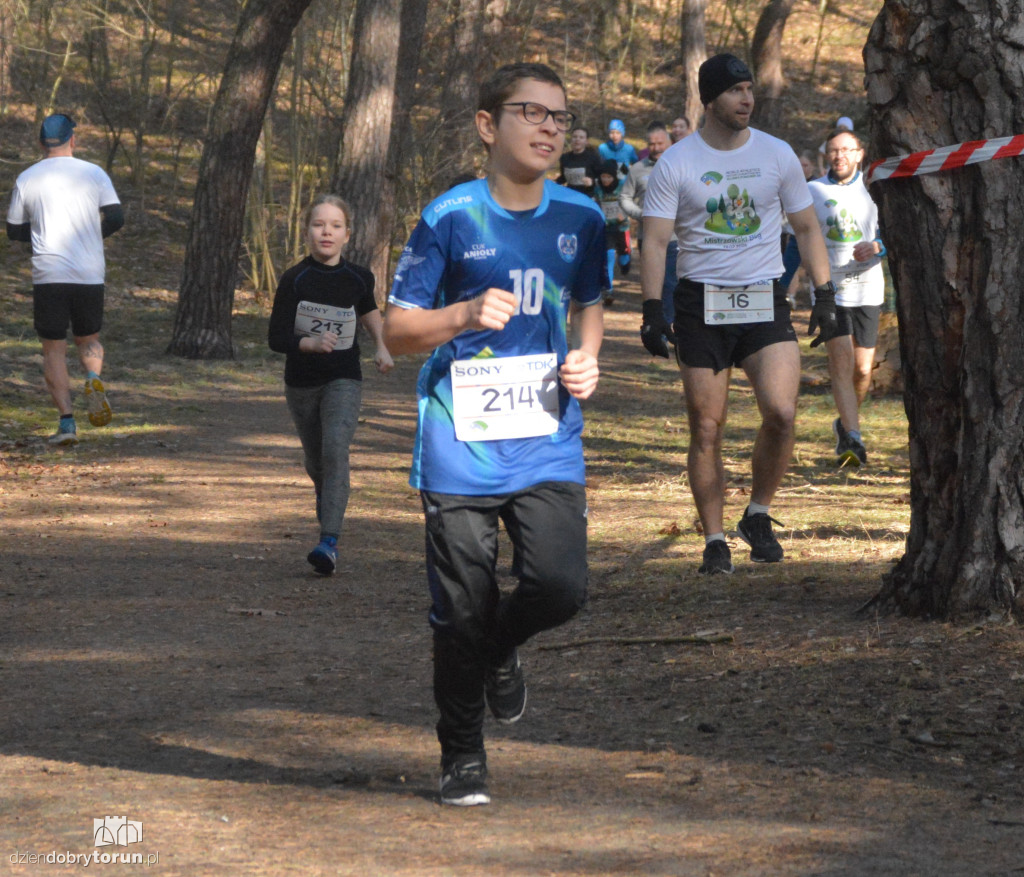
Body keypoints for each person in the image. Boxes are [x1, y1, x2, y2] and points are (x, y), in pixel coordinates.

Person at [383, 62, 605, 807]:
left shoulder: (582, 218)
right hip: (460, 437)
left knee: (559, 584)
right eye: (531, 112)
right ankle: (462, 752)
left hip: (544, 430)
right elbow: (398, 328)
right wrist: (461, 315)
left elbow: (591, 302)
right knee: (461, 606)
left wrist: (589, 357)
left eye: (560, 117)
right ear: (487, 124)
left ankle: (502, 647)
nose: (549, 127)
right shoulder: (450, 216)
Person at [638, 53, 835, 575]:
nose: (747, 99)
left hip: (762, 300)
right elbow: (654, 241)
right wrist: (652, 310)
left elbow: (808, 228)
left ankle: (759, 513)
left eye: (750, 89)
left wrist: (826, 294)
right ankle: (715, 539)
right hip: (701, 305)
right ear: (710, 99)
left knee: (782, 412)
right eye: (735, 91)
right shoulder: (677, 162)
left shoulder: (777, 154)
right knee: (706, 426)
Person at [267, 194, 393, 576]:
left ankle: (329, 542)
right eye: (319, 224)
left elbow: (369, 311)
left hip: (344, 378)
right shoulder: (295, 279)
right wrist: (306, 343)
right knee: (317, 460)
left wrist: (383, 347)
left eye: (335, 226)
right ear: (307, 232)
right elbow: (275, 337)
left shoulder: (358, 277)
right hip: (302, 383)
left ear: (347, 235)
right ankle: (327, 495)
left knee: (336, 448)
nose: (327, 232)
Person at [6, 113, 124, 446]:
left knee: (53, 350)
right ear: (73, 139)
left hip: (49, 274)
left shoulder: (27, 178)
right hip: (89, 272)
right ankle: (92, 377)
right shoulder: (94, 173)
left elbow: (14, 230)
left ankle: (68, 423)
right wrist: (91, 234)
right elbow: (116, 217)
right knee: (89, 336)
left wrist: (43, 231)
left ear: (41, 143)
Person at [780, 129, 885, 467]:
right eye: (833, 151)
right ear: (827, 156)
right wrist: (781, 285)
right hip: (829, 291)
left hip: (868, 287)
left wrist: (877, 246)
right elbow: (797, 241)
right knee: (840, 362)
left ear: (860, 154)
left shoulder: (875, 190)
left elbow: (892, 231)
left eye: (846, 150)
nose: (839, 156)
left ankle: (844, 422)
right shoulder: (812, 191)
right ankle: (853, 437)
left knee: (863, 370)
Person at [619, 121, 675, 324]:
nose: (657, 148)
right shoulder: (637, 170)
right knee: (654, 285)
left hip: (677, 238)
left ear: (669, 142)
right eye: (652, 144)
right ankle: (658, 324)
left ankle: (670, 325)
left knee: (671, 283)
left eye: (660, 143)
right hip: (648, 237)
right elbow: (624, 197)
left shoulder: (681, 164)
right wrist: (642, 214)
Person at [595, 158, 631, 300]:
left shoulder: (622, 186)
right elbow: (597, 203)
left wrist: (624, 214)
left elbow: (629, 200)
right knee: (609, 255)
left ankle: (626, 263)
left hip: (622, 227)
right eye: (603, 176)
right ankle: (608, 289)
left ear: (614, 176)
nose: (606, 180)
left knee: (623, 257)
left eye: (609, 177)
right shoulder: (598, 188)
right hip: (607, 227)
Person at [556, 126, 603, 198]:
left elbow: (601, 177)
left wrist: (592, 182)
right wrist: (553, 183)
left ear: (586, 141)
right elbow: (563, 178)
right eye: (575, 137)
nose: (577, 139)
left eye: (581, 137)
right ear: (571, 139)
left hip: (588, 196)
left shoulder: (593, 157)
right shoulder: (564, 158)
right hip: (570, 196)